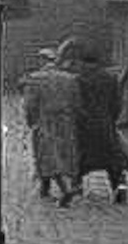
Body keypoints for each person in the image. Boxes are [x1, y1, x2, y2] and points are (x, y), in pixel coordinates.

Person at [65, 38, 128, 204]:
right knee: (113, 159)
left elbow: (75, 104)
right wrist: (111, 118)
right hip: (105, 123)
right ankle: (120, 189)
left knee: (82, 159)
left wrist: (77, 120)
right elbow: (117, 103)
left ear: (83, 61)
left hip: (85, 125)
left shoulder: (78, 81)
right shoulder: (110, 79)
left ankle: (73, 190)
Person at [21, 50, 82, 207]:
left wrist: (31, 121)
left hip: (45, 120)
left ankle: (65, 189)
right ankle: (45, 187)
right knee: (64, 154)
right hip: (66, 121)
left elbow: (29, 105)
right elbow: (77, 102)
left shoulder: (35, 79)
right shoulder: (70, 79)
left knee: (47, 155)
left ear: (42, 61)